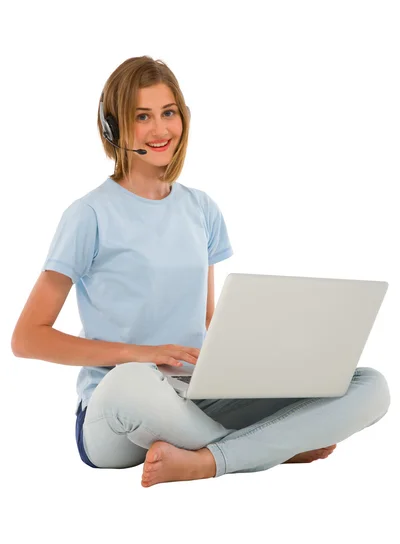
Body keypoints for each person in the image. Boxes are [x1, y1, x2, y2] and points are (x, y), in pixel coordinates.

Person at [11, 56, 391, 488]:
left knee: (369, 384)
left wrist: (273, 362)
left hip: (195, 396)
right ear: (113, 128)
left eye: (168, 113)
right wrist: (141, 354)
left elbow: (208, 321)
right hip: (119, 405)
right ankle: (268, 450)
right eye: (142, 117)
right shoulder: (88, 214)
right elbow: (27, 338)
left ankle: (207, 458)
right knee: (134, 381)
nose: (160, 130)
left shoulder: (201, 209)